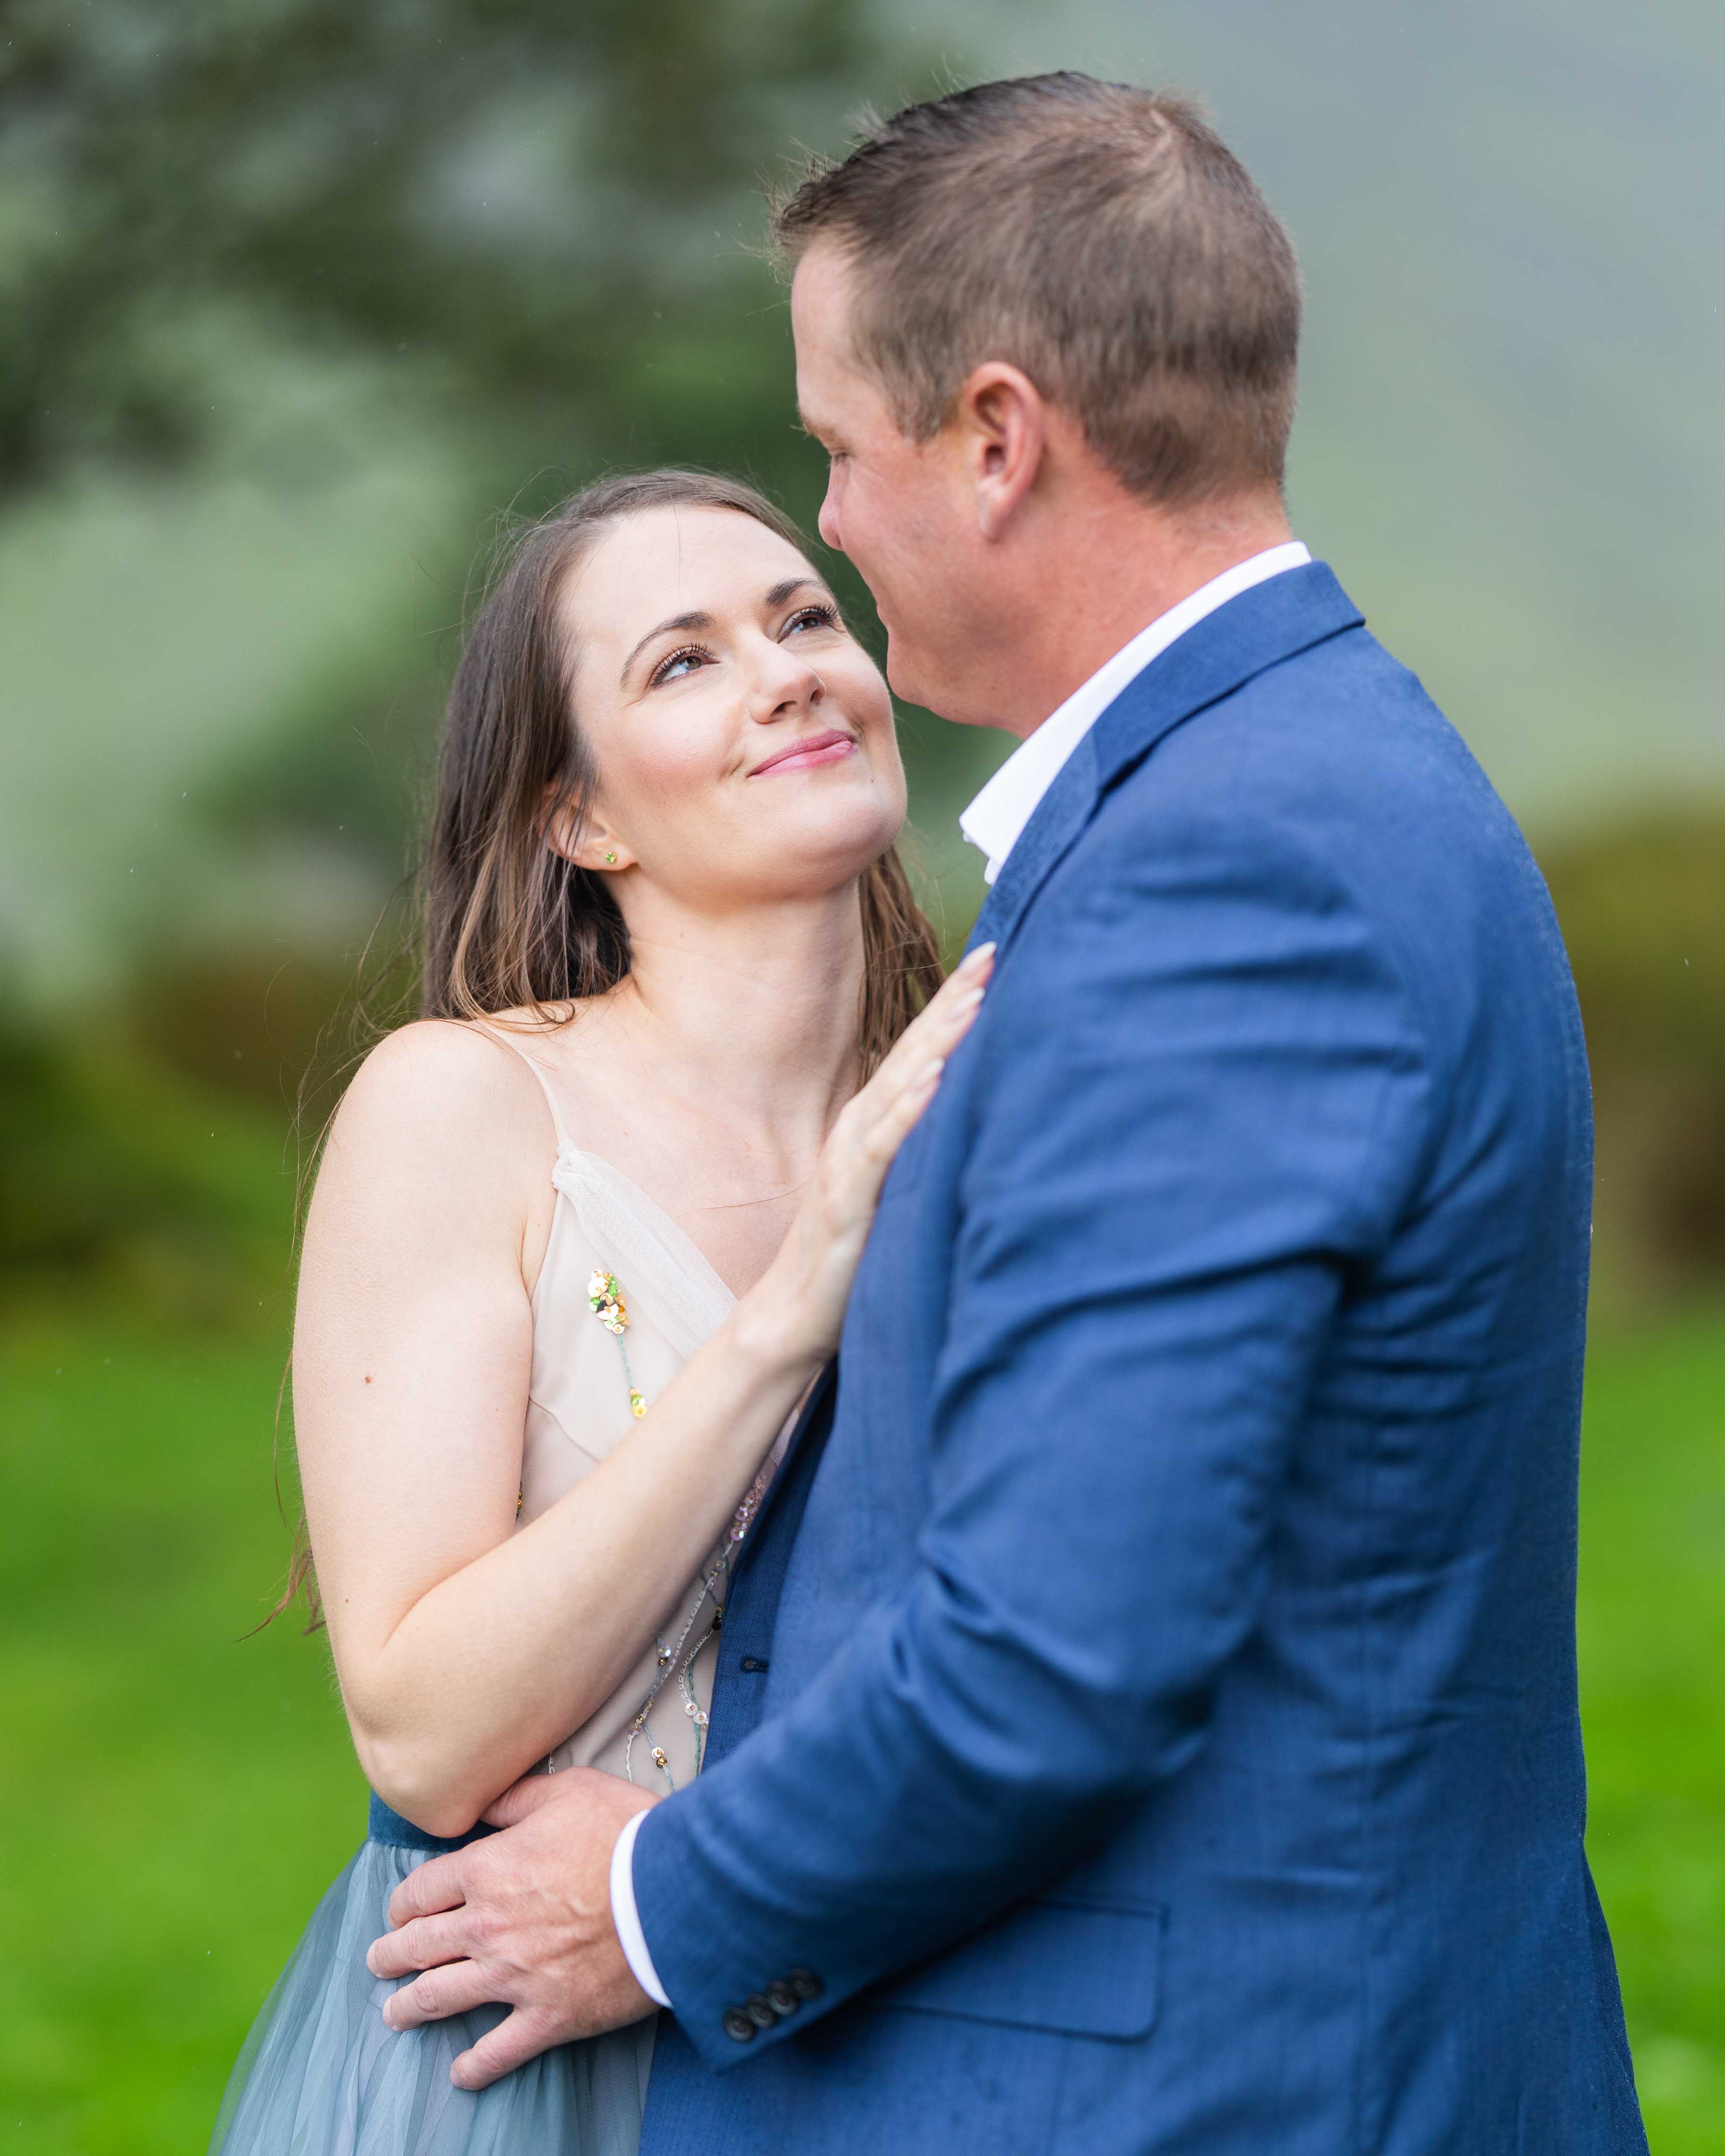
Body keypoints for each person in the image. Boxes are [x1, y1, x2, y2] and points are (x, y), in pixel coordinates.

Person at [368, 75, 1650, 2154]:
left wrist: (652, 1900)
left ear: (990, 439)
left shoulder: (1233, 869)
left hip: (1203, 2089)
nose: (839, 532)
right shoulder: (1295, 785)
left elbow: (1056, 1644)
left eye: (838, 459)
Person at [206, 467, 993, 2155]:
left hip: (911, 2028)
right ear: (582, 819)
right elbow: (422, 1730)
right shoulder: (462, 1113)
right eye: (682, 662)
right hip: (535, 2064)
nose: (786, 669)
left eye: (801, 619)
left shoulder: (990, 1100)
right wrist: (792, 1310)